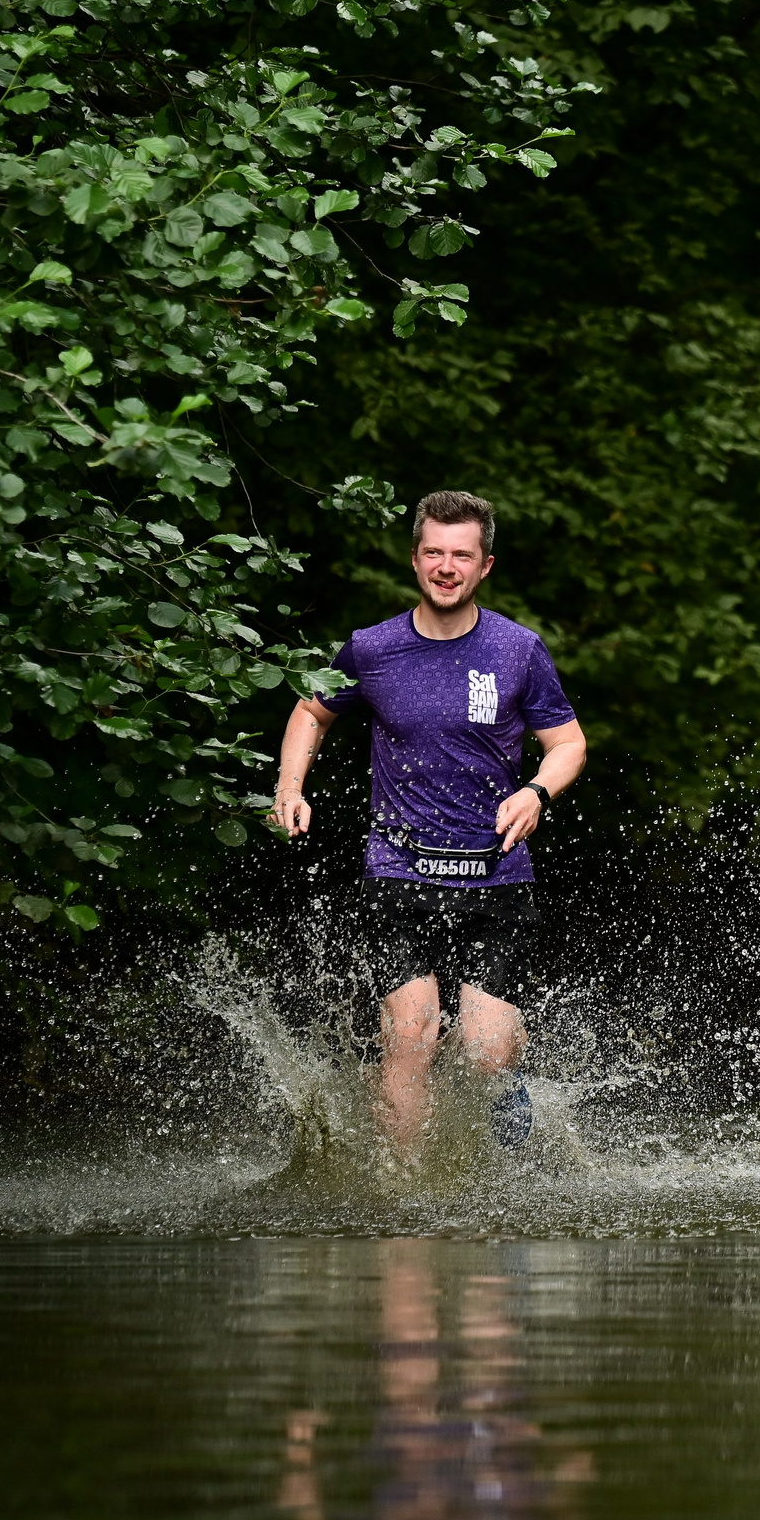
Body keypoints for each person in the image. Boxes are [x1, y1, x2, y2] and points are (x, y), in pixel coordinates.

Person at [269, 490, 589, 1157]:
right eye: (434, 552)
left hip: (496, 874)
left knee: (486, 1053)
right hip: (399, 871)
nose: (447, 566)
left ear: (485, 566)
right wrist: (290, 786)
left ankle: (508, 1114)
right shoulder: (371, 648)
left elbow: (568, 744)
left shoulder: (518, 649)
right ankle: (406, 1197)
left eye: (461, 555)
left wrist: (536, 791)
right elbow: (311, 710)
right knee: (410, 1036)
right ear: (416, 559)